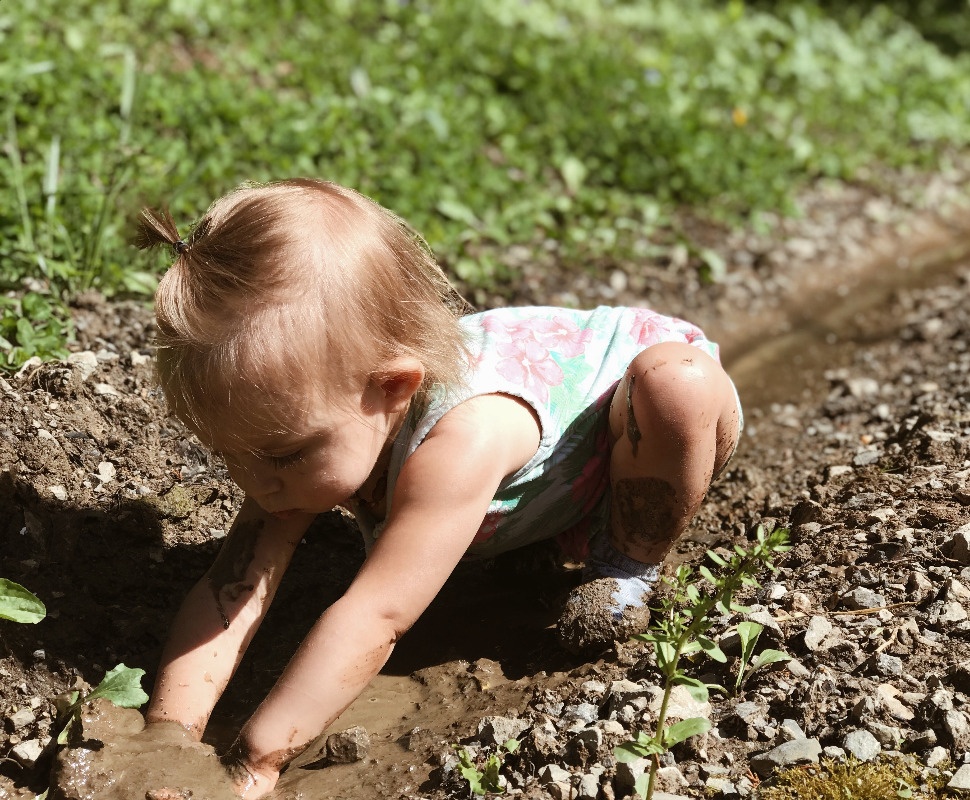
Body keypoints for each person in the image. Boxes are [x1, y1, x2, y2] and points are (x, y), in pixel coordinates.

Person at [137, 178, 741, 798]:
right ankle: (526, 536)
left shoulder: (462, 440)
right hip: (531, 486)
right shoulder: (298, 443)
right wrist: (167, 741)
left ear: (393, 387)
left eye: (281, 453)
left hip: (632, 438)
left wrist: (254, 763)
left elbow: (377, 613)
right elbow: (228, 591)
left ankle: (624, 565)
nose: (254, 480)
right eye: (230, 455)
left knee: (678, 386)